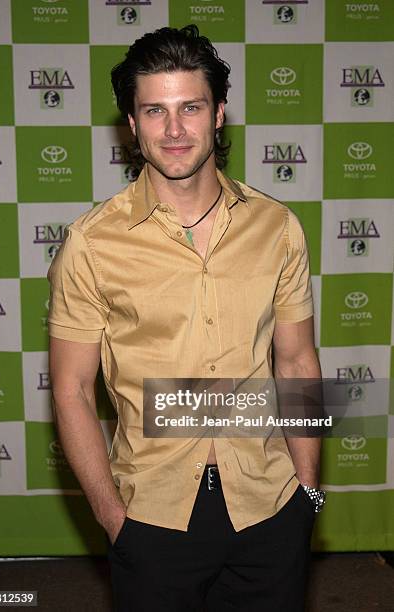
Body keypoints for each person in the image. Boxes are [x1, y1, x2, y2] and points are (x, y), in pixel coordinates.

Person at [47, 25, 325, 612]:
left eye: (190, 107)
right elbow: (71, 389)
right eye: (155, 111)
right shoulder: (92, 244)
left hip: (270, 506)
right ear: (132, 123)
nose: (174, 130)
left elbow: (297, 360)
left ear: (219, 113)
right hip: (151, 516)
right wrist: (111, 517)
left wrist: (307, 491)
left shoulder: (276, 228)